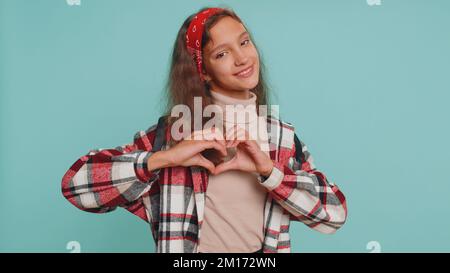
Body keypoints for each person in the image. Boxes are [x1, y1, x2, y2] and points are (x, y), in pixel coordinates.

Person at [61, 6, 347, 253]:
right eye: (222, 54)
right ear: (203, 71)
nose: (242, 58)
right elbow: (76, 186)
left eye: (244, 42)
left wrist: (269, 172)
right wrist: (165, 158)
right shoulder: (171, 136)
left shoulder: (282, 139)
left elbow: (333, 215)